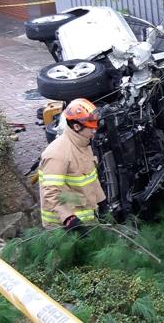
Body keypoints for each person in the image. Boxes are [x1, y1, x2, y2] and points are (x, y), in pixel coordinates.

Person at [38, 98, 106, 231]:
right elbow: (51, 193)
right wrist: (69, 219)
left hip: (86, 220)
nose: (94, 131)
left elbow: (91, 179)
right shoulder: (57, 154)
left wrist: (102, 202)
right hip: (63, 228)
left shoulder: (83, 145)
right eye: (91, 128)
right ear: (76, 127)